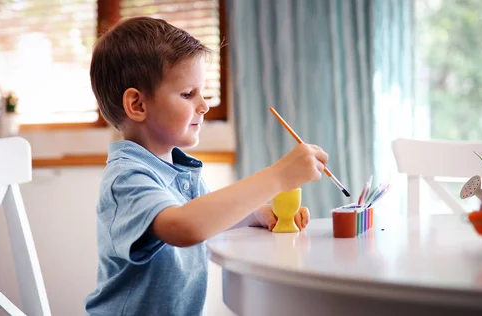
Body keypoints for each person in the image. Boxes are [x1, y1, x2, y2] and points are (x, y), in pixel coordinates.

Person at [84, 16, 329, 316]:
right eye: (188, 94)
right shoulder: (126, 177)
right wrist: (277, 177)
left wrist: (257, 214)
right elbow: (186, 226)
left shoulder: (177, 169)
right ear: (138, 105)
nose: (205, 105)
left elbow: (209, 218)